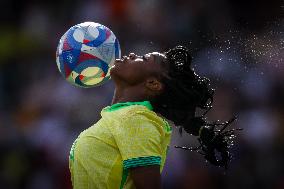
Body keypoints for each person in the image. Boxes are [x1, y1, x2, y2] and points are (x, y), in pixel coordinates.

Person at [69, 46, 238, 189]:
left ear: (153, 83)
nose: (133, 55)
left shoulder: (137, 120)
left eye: (144, 59)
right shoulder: (119, 118)